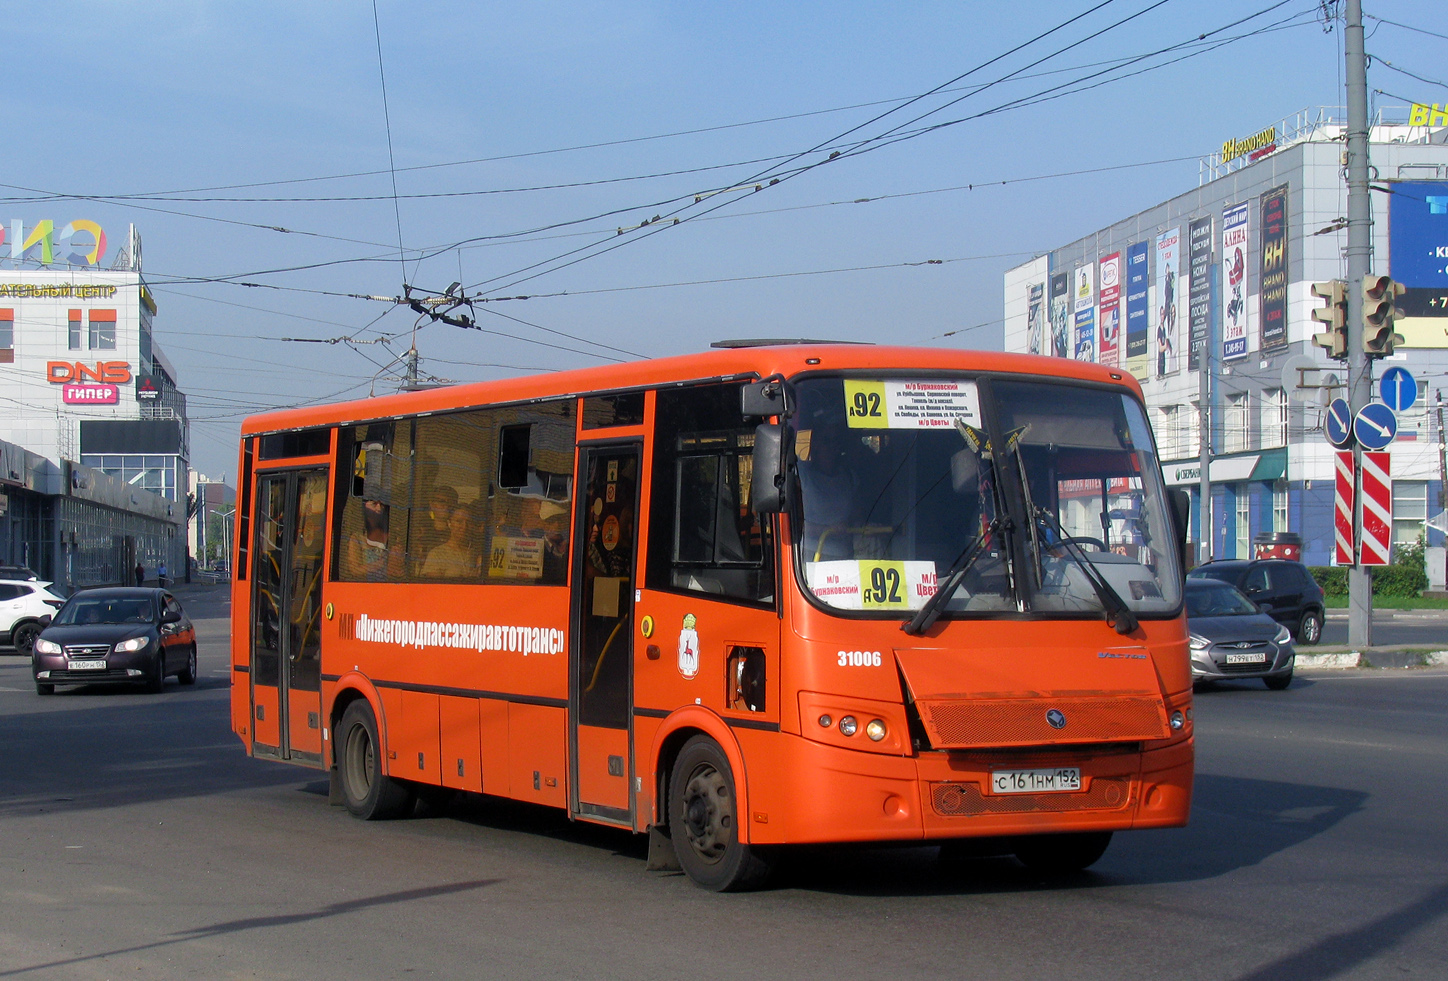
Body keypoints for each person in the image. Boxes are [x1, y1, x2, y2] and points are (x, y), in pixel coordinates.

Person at [421, 500, 479, 579]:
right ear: (449, 523)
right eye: (459, 521)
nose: (464, 526)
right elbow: (434, 588)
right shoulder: (437, 554)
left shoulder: (475, 553)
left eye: (468, 522)